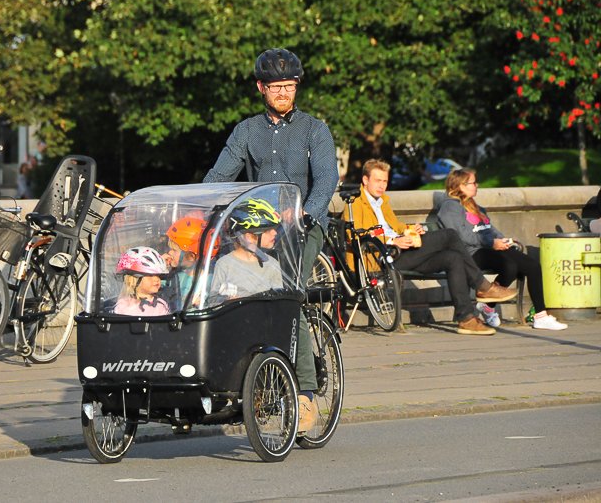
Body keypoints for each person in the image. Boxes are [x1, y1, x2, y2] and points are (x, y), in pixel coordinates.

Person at [203, 48, 338, 432]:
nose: (283, 92)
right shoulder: (247, 131)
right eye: (276, 86)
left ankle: (307, 393)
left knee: (288, 295)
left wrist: (306, 211)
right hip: (258, 230)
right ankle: (250, 378)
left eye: (290, 86)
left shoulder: (315, 129)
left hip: (304, 227)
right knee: (230, 291)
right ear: (261, 88)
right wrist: (196, 204)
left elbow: (326, 178)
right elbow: (219, 175)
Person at [350, 159, 518, 336]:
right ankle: (483, 287)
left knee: (453, 258)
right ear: (365, 180)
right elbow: (356, 236)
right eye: (378, 180)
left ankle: (466, 318)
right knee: (450, 235)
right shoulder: (355, 203)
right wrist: (392, 242)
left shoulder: (381, 201)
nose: (382, 185)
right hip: (383, 258)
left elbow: (393, 227)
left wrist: (409, 229)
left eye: (385, 181)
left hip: (402, 253)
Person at [438, 168, 568, 331]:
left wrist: (503, 240)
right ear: (461, 185)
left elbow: (489, 229)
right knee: (510, 265)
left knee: (531, 265)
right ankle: (488, 303)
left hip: (487, 247)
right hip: (470, 253)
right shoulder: (450, 206)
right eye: (473, 182)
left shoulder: (475, 206)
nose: (477, 185)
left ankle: (540, 316)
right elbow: (460, 236)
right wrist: (492, 243)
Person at [208, 199, 284, 304]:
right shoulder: (225, 264)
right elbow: (212, 300)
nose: (275, 233)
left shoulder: (272, 264)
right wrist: (226, 301)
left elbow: (279, 303)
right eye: (268, 230)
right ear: (249, 237)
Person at [163, 215, 219, 308]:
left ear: (191, 257)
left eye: (174, 250)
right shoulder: (173, 276)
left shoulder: (210, 282)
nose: (169, 252)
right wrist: (159, 267)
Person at [112, 247, 171, 316]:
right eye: (150, 275)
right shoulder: (124, 306)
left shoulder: (161, 305)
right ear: (133, 280)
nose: (156, 279)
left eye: (158, 275)